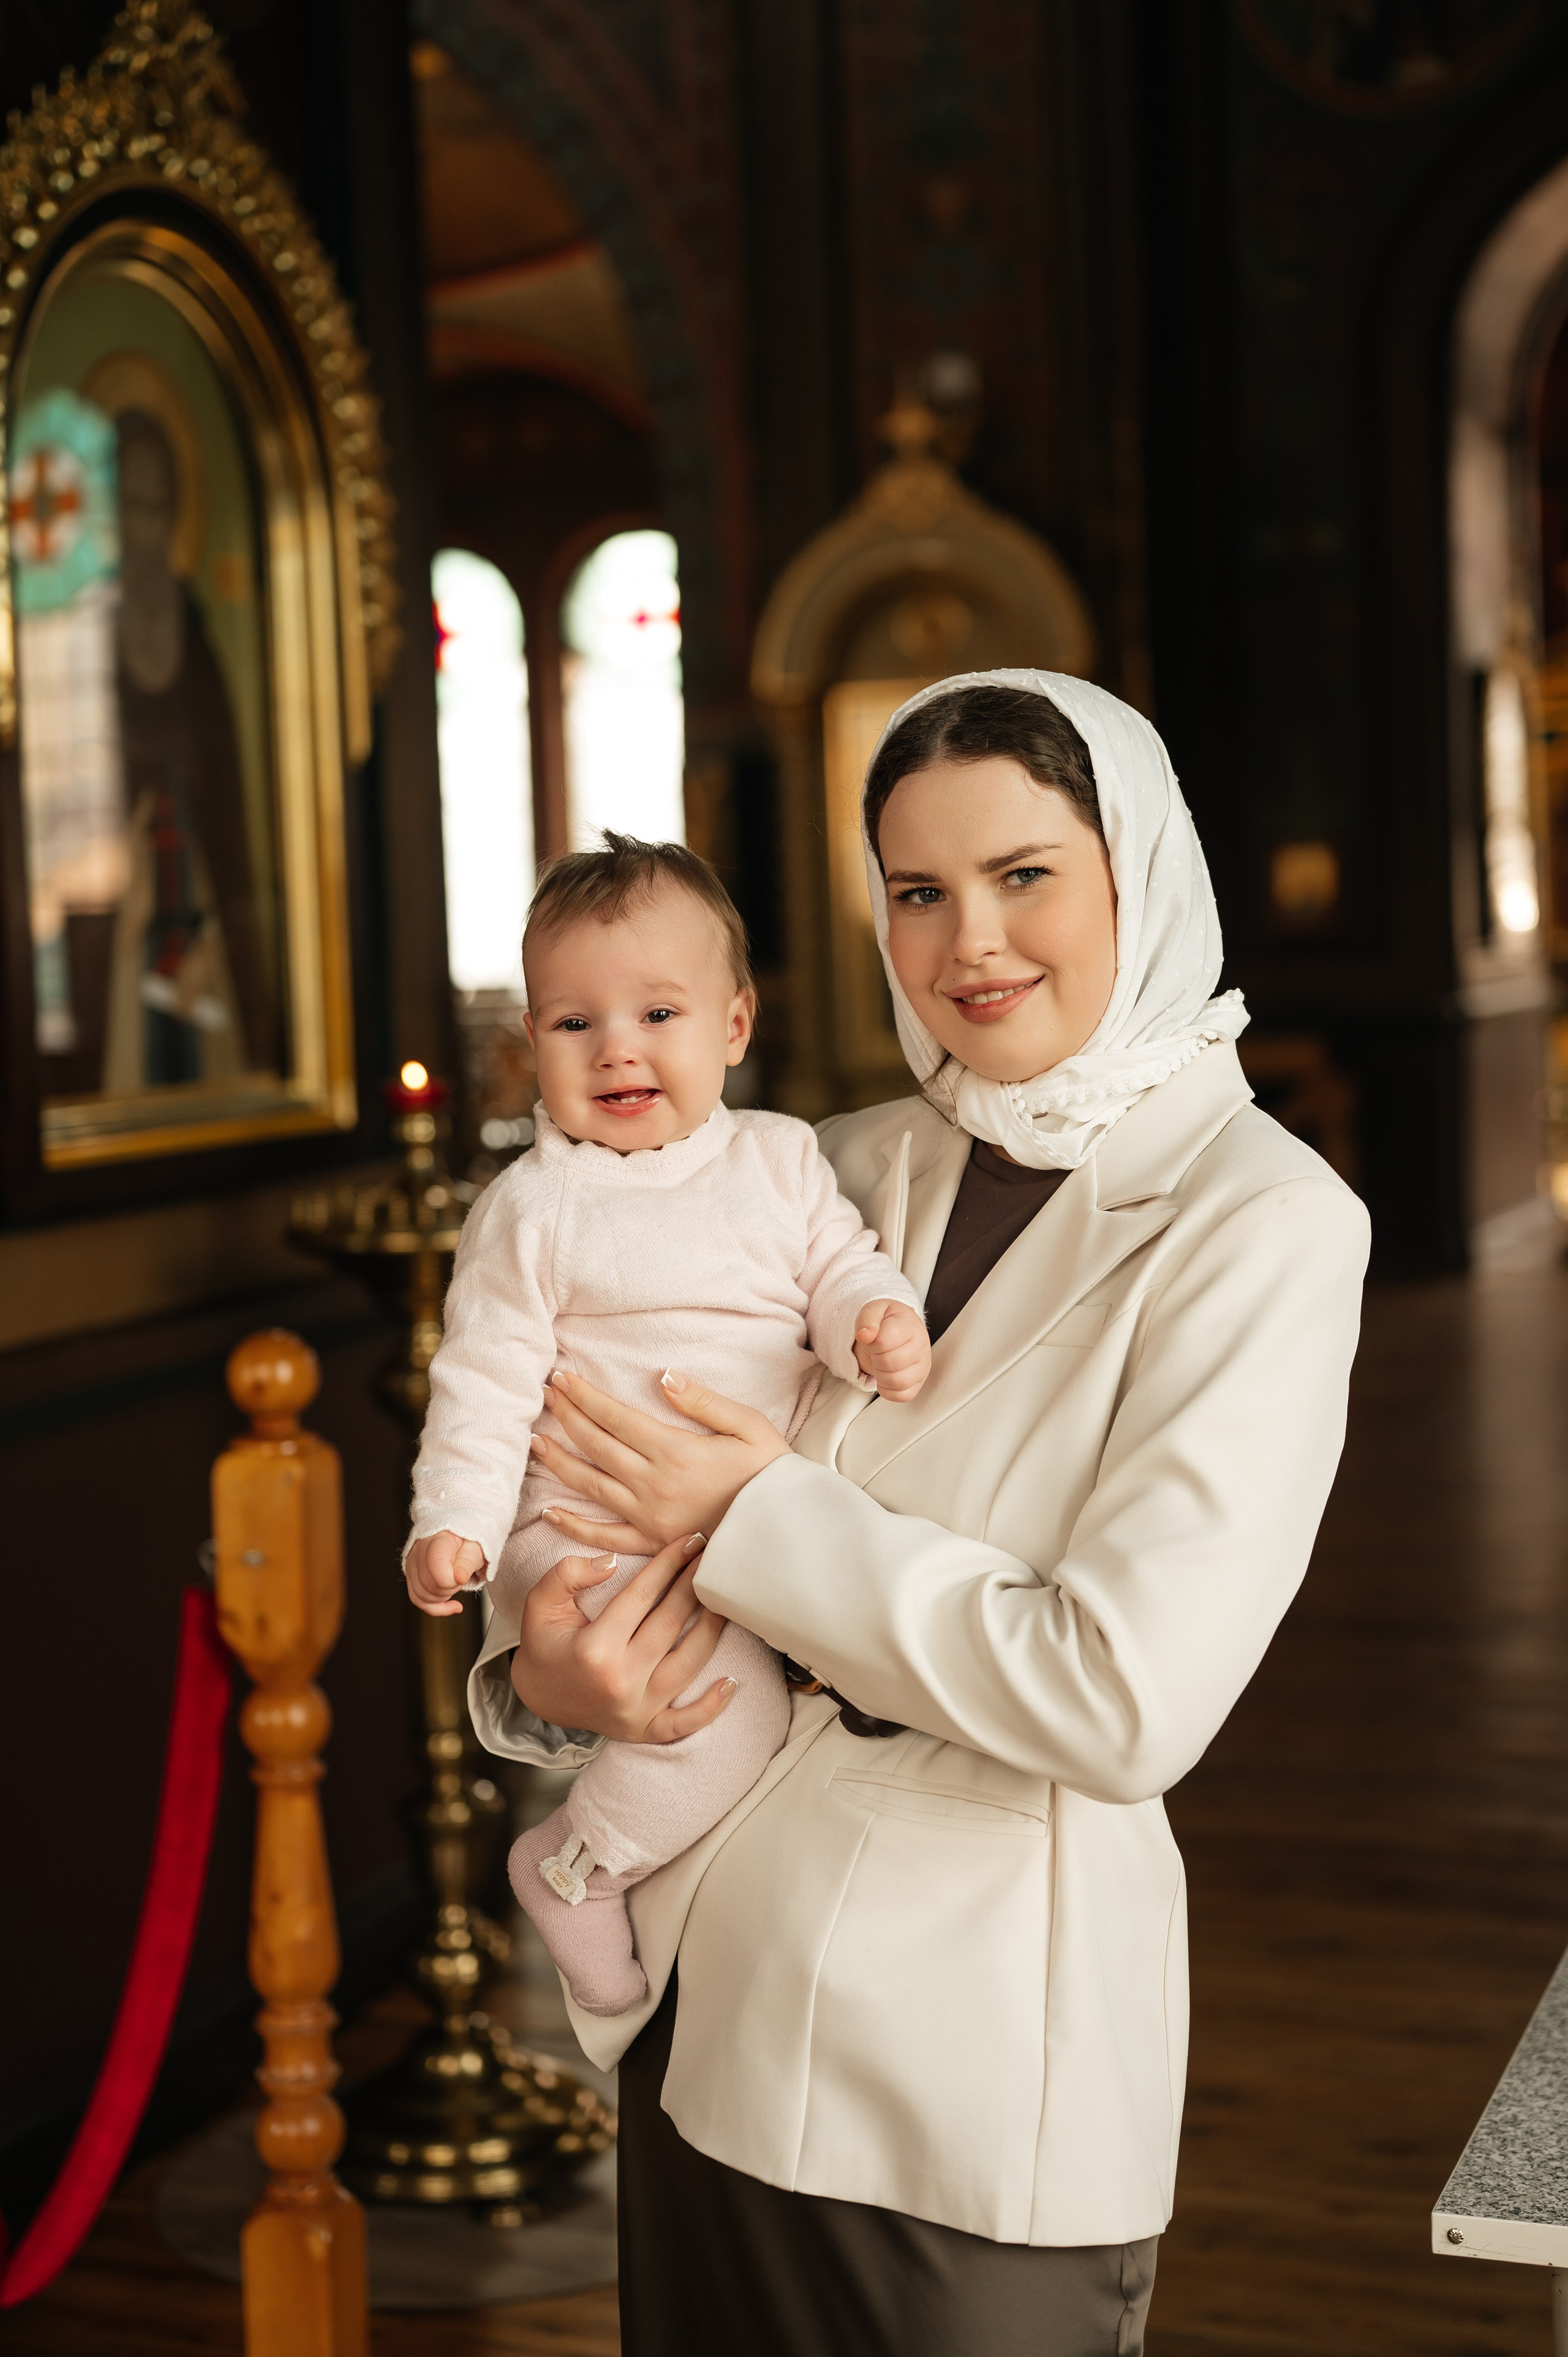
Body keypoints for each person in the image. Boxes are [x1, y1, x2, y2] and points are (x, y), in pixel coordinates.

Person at [502, 672, 1372, 2357]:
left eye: (1025, 874)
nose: (970, 939)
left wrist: (756, 1522)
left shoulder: (1265, 1223)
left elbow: (1122, 1699)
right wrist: (550, 1669)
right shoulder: (814, 1165)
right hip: (701, 2001)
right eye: (917, 890)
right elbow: (599, 1474)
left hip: (970, 2063)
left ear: (1141, 870)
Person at [404, 832, 929, 2015]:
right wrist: (453, 1525)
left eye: (657, 1012)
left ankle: (616, 1864)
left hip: (737, 1530)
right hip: (588, 1536)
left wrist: (874, 1320)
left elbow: (839, 1267)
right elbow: (482, 1383)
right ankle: (576, 1868)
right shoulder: (533, 1209)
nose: (618, 1048)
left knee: (732, 1709)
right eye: (573, 1024)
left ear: (733, 1028)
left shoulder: (784, 1160)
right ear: (528, 1042)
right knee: (717, 1718)